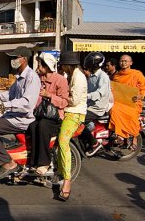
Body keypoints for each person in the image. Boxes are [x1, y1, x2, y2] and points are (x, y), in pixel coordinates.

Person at [0, 46, 41, 180]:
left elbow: (27, 103)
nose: (12, 60)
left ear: (23, 59)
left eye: (15, 57)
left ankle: (9, 163)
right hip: (13, 115)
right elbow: (9, 94)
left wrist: (4, 105)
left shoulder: (32, 77)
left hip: (22, 119)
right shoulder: (19, 77)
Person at [28, 52, 69, 175]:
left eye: (40, 65)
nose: (38, 67)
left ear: (47, 66)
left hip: (54, 116)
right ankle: (33, 161)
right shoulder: (39, 78)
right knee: (32, 125)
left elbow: (64, 102)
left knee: (42, 126)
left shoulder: (60, 80)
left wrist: (49, 95)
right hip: (40, 113)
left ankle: (44, 162)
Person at [57, 51, 87, 201]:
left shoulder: (79, 77)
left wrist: (57, 98)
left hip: (75, 114)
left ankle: (67, 181)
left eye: (62, 65)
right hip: (67, 111)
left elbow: (74, 101)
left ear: (67, 65)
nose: (61, 67)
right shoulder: (70, 75)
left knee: (63, 141)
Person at [109, 54, 145, 150]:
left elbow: (144, 87)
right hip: (120, 102)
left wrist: (140, 95)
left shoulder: (137, 74)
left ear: (131, 63)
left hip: (133, 102)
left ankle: (134, 139)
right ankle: (120, 135)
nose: (123, 63)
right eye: (121, 61)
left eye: (126, 61)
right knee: (113, 110)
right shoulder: (117, 75)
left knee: (132, 117)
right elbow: (114, 89)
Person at [81, 52, 112, 157]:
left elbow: (99, 93)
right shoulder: (92, 76)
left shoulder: (103, 76)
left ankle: (94, 143)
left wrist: (85, 96)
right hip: (89, 105)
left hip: (97, 108)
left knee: (78, 120)